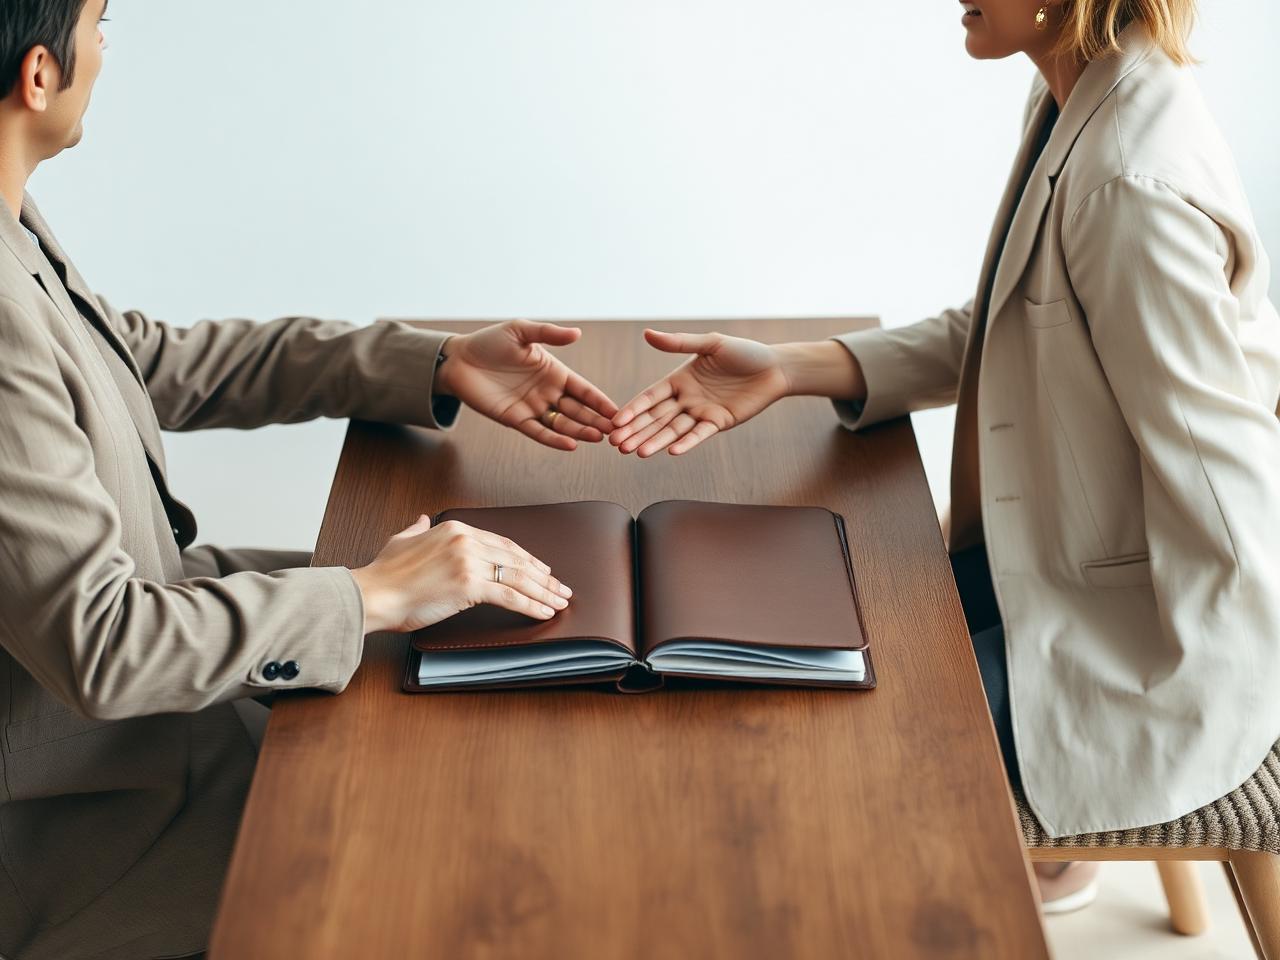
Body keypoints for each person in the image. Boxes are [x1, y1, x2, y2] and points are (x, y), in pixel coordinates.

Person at [609, 0, 1280, 913]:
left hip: (1146, 646)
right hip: (1059, 568)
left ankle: (1015, 856)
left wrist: (1202, 705)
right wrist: (795, 369)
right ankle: (1042, 862)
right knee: (780, 641)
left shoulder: (1128, 181)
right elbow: (1017, 319)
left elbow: (1227, 480)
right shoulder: (1078, 94)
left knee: (795, 781)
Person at [0, 2, 620, 957]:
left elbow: (143, 362)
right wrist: (369, 594)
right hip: (109, 818)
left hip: (174, 718)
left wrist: (432, 360)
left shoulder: (12, 228)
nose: (109, 43)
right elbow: (106, 644)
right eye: (100, 19)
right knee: (487, 870)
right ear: (40, 74)